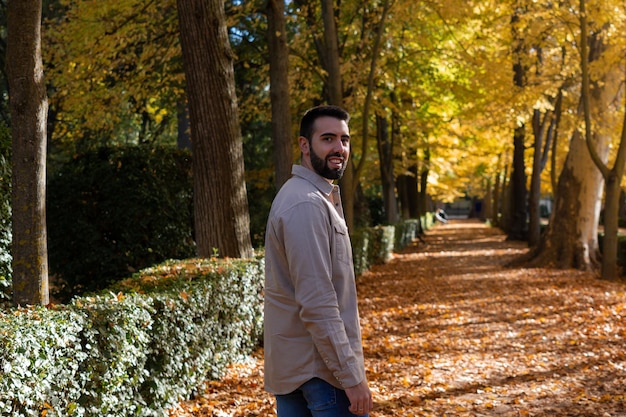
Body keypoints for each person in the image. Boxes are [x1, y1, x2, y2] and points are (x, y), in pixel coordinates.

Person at [264, 105, 374, 417]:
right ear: (304, 144)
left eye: (345, 139)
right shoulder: (306, 205)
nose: (339, 148)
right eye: (328, 138)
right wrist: (351, 378)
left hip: (299, 371)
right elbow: (317, 301)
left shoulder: (310, 198)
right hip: (322, 375)